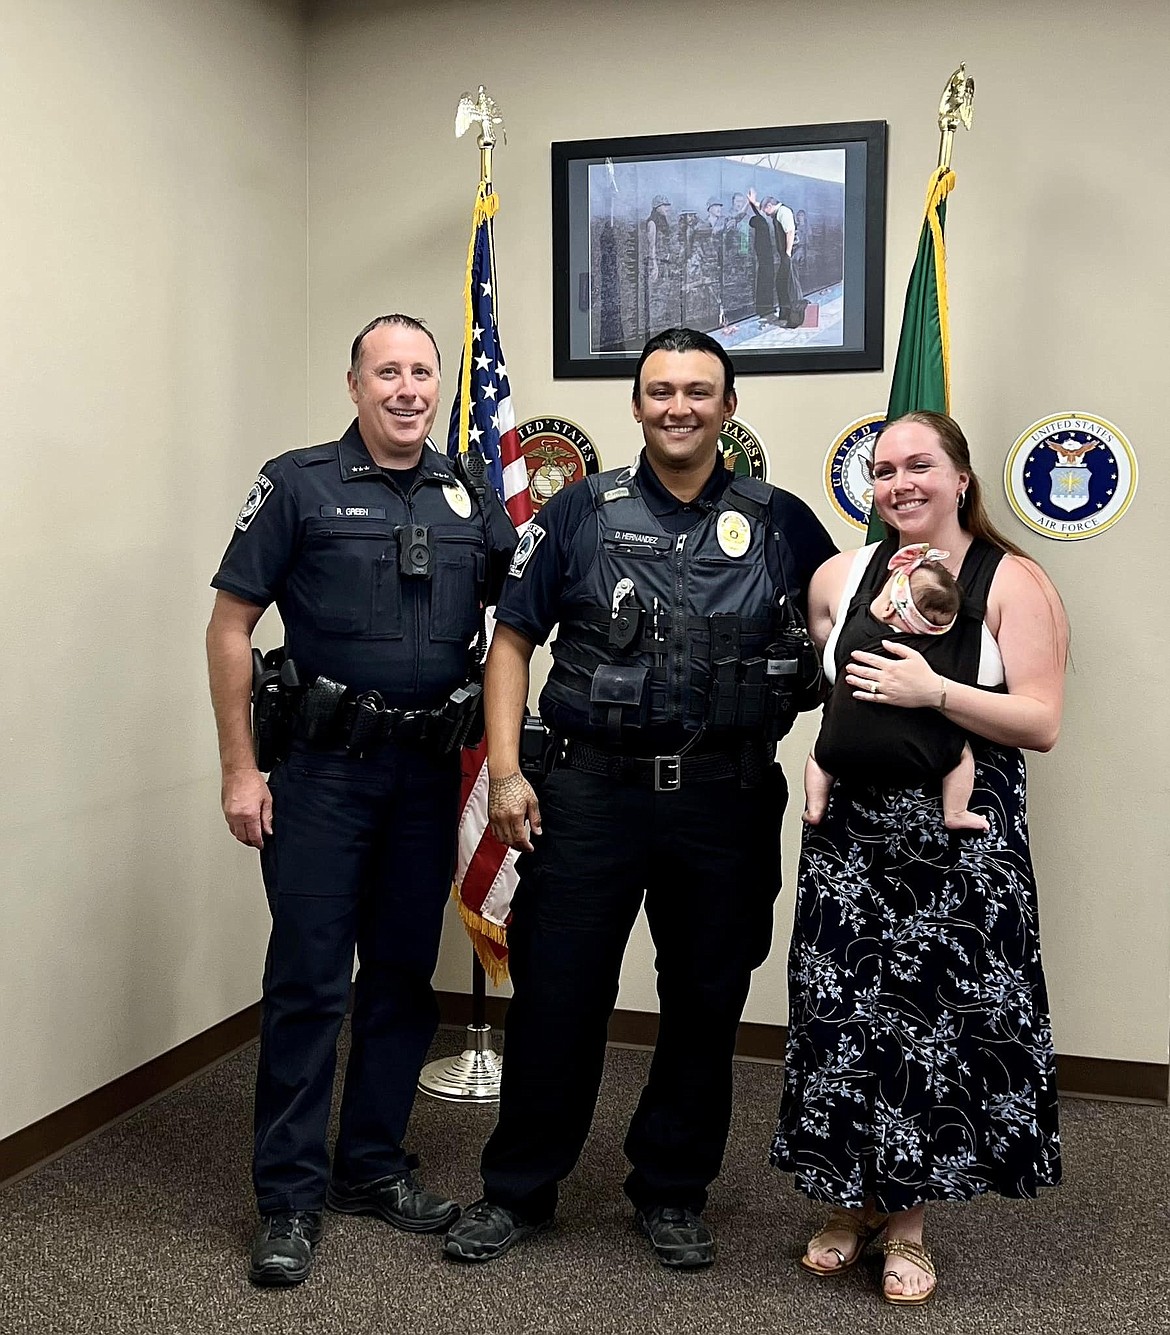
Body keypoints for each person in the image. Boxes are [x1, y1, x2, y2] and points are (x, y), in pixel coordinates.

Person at [442, 327, 836, 1269]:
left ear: (728, 408)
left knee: (705, 999)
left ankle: (670, 1187)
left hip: (725, 798)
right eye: (661, 391)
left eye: (699, 391)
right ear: (636, 406)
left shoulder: (783, 522)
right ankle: (520, 1189)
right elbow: (511, 643)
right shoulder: (577, 511)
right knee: (558, 996)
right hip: (588, 793)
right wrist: (505, 771)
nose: (679, 407)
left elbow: (850, 626)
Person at [206, 314, 517, 1287]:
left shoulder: (470, 494)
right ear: (354, 386)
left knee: (397, 980)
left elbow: (520, 618)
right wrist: (239, 769)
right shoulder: (298, 484)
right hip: (322, 776)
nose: (409, 389)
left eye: (423, 372)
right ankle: (289, 1197)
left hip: (426, 776)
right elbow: (229, 629)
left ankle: (372, 1167)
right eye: (388, 372)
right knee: (307, 983)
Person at [771, 411, 1067, 1306]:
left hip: (958, 832)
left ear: (961, 476)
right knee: (846, 1016)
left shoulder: (1014, 581)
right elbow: (839, 700)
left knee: (930, 1025)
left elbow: (1042, 722)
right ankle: (854, 1202)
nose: (900, 482)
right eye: (886, 468)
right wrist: (823, 759)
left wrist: (936, 689)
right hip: (853, 832)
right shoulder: (838, 577)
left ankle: (908, 1224)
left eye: (921, 465)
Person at [803, 543, 988, 833]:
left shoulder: (861, 626)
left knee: (817, 758)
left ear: (889, 605)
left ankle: (815, 806)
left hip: (839, 748)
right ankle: (956, 811)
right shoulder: (929, 648)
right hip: (921, 756)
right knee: (962, 755)